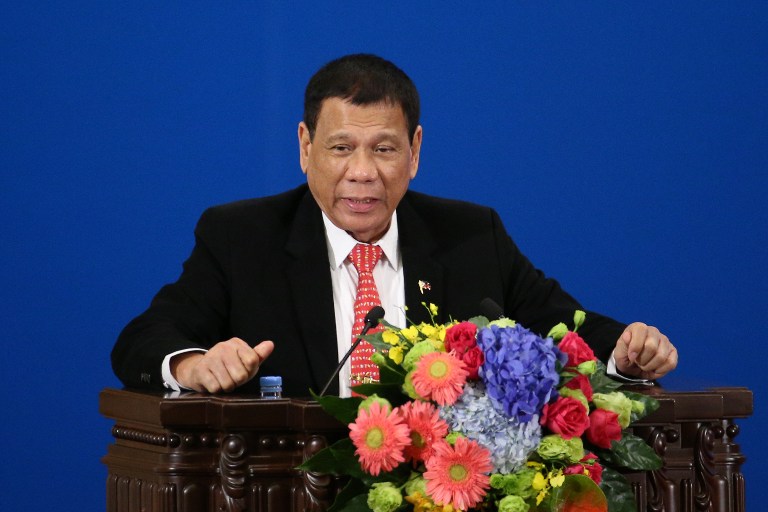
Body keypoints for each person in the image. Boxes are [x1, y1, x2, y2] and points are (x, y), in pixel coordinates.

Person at [112, 54, 677, 397]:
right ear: (305, 148)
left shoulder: (472, 234)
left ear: (415, 152)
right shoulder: (240, 237)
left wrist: (625, 354)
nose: (362, 173)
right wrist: (192, 364)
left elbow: (566, 326)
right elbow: (142, 341)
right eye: (340, 148)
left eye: (384, 148)